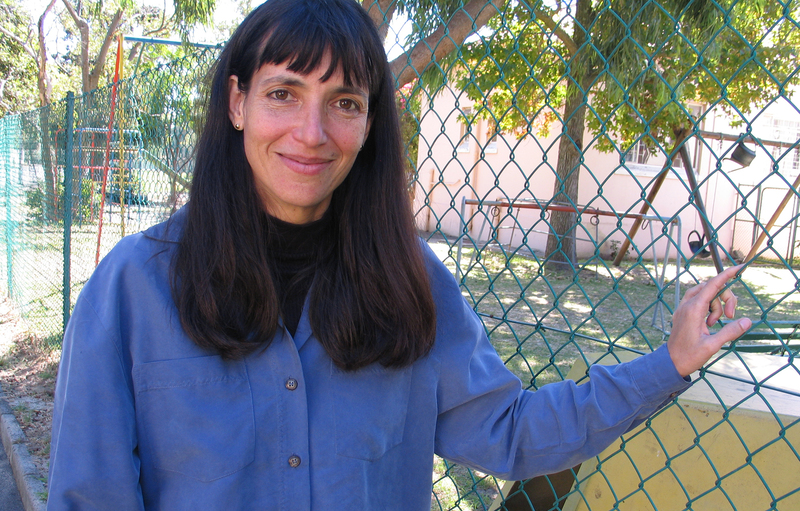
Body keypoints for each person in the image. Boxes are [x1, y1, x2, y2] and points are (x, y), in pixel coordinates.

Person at [46, 0, 752, 509]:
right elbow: (91, 491)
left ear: (370, 121)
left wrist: (671, 361)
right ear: (237, 103)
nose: (312, 131)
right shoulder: (132, 288)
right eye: (284, 94)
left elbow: (511, 431)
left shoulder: (412, 284)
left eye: (344, 102)